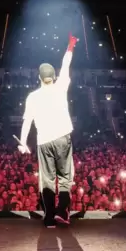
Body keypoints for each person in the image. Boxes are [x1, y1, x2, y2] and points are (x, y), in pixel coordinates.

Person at [18, 33, 78, 228]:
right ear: (53, 76)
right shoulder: (61, 86)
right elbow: (66, 64)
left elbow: (27, 121)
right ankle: (63, 212)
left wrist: (22, 142)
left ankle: (50, 217)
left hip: (44, 141)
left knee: (47, 180)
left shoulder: (32, 97)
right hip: (62, 138)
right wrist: (70, 46)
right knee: (65, 177)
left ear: (39, 78)